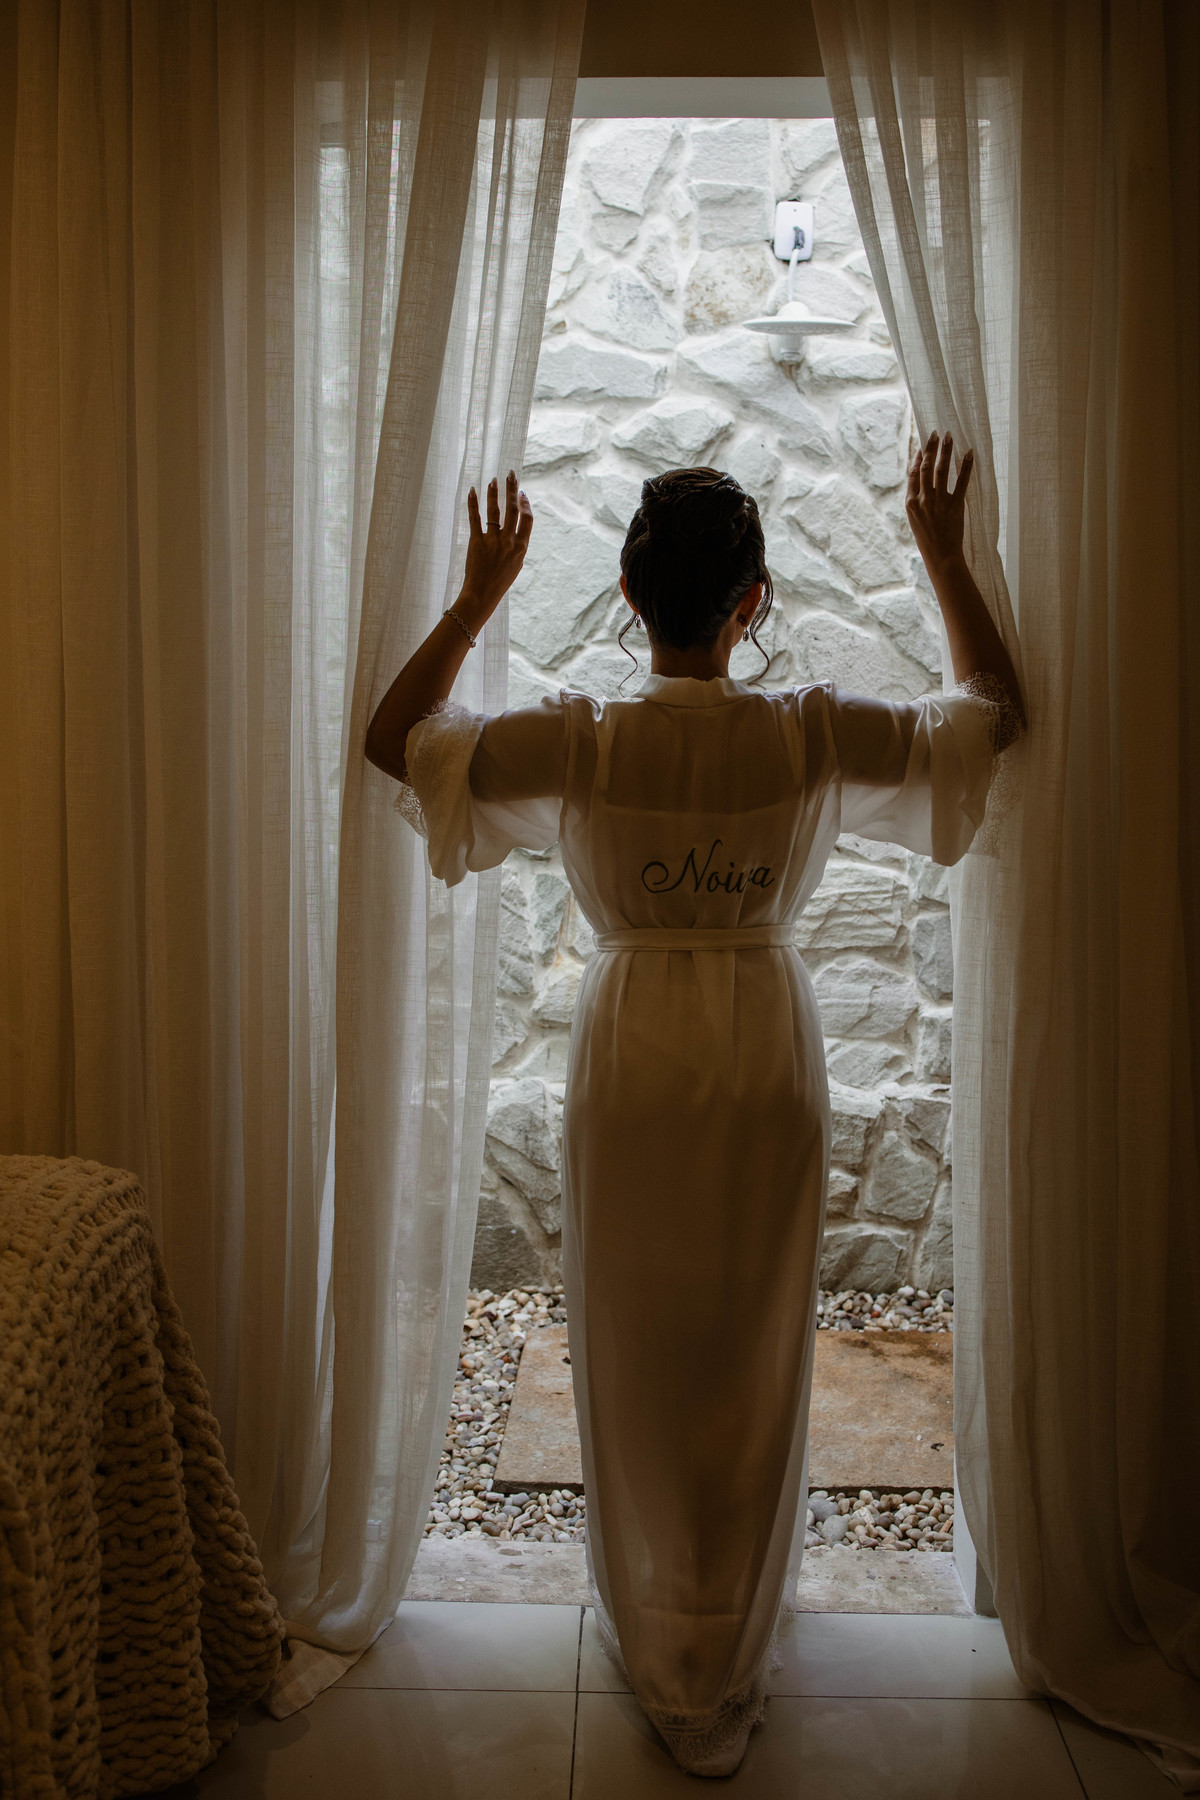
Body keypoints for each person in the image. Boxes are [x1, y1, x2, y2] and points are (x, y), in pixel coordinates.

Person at [365, 435, 1024, 1778]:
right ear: (753, 602)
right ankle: (727, 1620)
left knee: (636, 1335)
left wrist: (479, 599)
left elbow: (395, 743)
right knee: (752, 1340)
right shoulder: (812, 729)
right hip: (765, 1045)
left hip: (632, 1058)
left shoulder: (583, 740)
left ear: (627, 588)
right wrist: (946, 560)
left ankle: (663, 1615)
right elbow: (991, 718)